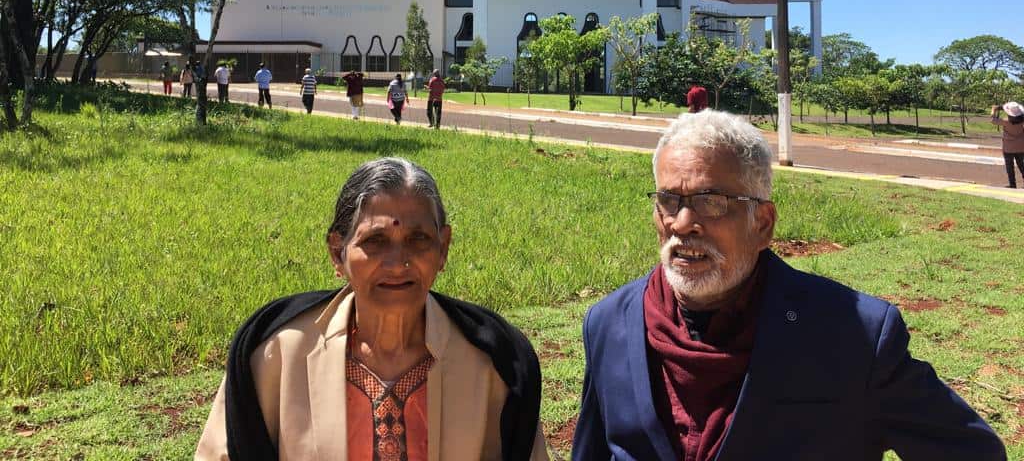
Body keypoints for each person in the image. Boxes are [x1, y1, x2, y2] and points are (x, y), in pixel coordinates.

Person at [572, 110, 1006, 461]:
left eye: (711, 201)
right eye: (669, 200)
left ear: (763, 224)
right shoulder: (610, 324)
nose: (682, 224)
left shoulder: (852, 335)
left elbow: (973, 451)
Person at [195, 157, 549, 460]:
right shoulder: (275, 355)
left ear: (443, 248)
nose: (398, 263)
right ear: (338, 253)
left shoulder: (494, 365)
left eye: (418, 239)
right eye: (375, 241)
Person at [991, 101, 1024, 188]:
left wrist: (994, 110)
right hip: (1021, 147)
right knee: (1021, 165)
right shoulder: (1022, 121)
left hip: (1008, 147)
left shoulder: (1005, 121)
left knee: (1010, 166)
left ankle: (1012, 184)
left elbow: (993, 120)